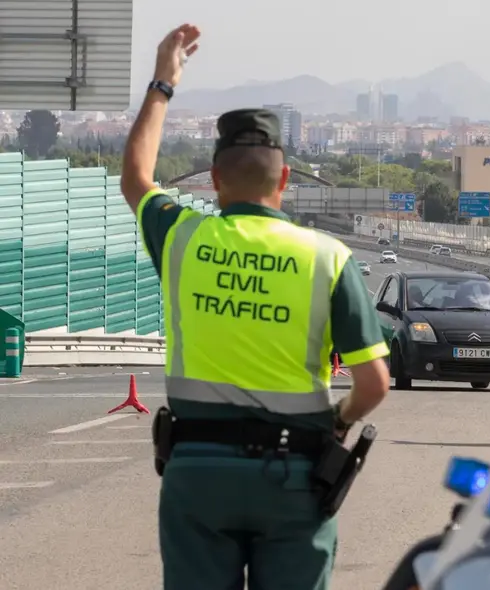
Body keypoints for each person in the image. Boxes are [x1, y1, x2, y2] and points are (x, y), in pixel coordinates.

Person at [120, 24, 390, 590]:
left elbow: (136, 178)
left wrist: (163, 81)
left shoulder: (181, 238)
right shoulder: (329, 258)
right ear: (286, 179)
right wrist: (337, 423)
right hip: (294, 477)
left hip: (198, 476)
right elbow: (373, 385)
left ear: (215, 180)